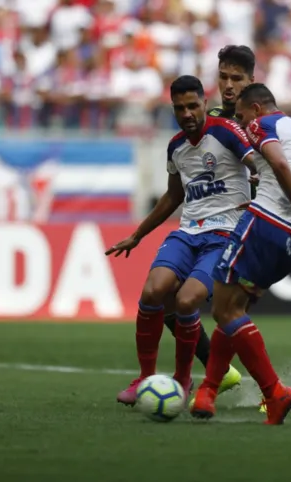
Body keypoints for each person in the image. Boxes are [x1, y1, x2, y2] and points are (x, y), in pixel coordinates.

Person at [190, 83, 291, 425]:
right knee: (235, 310)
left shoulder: (263, 123)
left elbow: (281, 165)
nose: (241, 123)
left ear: (255, 109)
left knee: (223, 308)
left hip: (267, 223)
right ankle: (207, 391)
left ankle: (274, 392)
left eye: (241, 116)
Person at [107, 75, 257, 406]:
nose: (187, 113)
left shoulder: (226, 132)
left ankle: (183, 378)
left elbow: (257, 164)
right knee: (152, 292)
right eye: (179, 108)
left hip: (224, 235)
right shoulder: (175, 146)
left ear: (205, 103)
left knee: (187, 300)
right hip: (189, 232)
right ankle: (145, 378)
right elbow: (173, 195)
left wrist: (261, 189)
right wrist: (137, 234)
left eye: (192, 105)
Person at [158, 44, 258, 395]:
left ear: (251, 81)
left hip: (248, 231)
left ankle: (265, 391)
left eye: (237, 78)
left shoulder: (259, 121)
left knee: (229, 312)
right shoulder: (209, 116)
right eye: (223, 77)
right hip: (207, 228)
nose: (229, 85)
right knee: (168, 298)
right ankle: (221, 373)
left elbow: (272, 171)